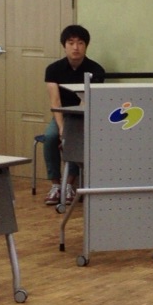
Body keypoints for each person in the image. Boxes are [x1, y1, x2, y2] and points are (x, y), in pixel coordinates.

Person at [42, 25, 105, 206]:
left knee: (75, 139)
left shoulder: (96, 70)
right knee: (51, 137)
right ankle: (56, 185)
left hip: (84, 116)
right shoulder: (53, 69)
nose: (75, 47)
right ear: (64, 45)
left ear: (86, 46)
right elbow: (55, 102)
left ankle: (69, 184)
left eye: (80, 43)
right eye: (71, 43)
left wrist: (69, 131)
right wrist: (62, 127)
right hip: (62, 114)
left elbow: (86, 101)